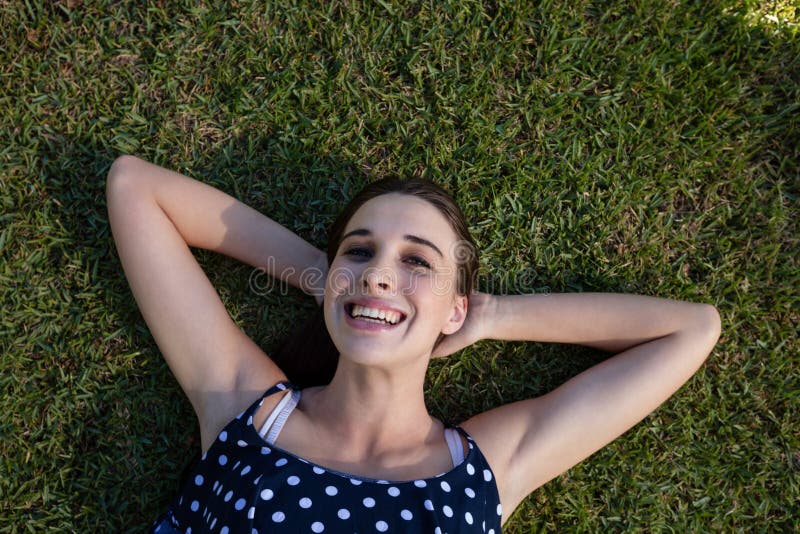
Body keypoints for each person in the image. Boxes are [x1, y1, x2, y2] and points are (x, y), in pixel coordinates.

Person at [106, 155, 721, 533]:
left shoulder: (486, 470)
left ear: (454, 306)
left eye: (417, 262)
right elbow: (135, 186)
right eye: (362, 248)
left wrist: (488, 316)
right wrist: (329, 279)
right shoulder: (245, 409)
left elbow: (691, 329)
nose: (379, 273)